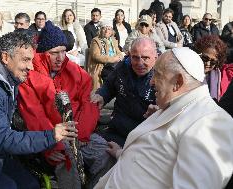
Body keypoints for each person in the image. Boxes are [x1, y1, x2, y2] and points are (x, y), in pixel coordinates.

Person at [0, 31, 78, 189]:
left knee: (30, 183)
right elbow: (0, 138)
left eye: (31, 60)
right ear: (5, 57)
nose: (31, 67)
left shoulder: (5, 78)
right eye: (25, 60)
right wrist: (50, 136)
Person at [94, 47, 233, 189]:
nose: (151, 82)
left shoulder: (211, 123)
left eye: (157, 75)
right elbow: (155, 159)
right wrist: (121, 153)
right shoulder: (173, 105)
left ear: (178, 82)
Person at [17, 21, 114, 189]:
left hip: (81, 132)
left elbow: (88, 104)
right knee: (67, 162)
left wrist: (80, 135)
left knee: (108, 156)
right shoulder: (29, 76)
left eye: (63, 51)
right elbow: (34, 114)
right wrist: (51, 144)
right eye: (54, 53)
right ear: (42, 53)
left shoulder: (75, 71)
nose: (60, 57)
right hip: (52, 135)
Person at [91, 37, 157, 147]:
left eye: (145, 58)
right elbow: (108, 85)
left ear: (156, 57)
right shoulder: (122, 66)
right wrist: (101, 95)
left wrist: (161, 113)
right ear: (130, 55)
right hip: (117, 130)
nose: (140, 63)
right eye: (135, 58)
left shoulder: (164, 75)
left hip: (144, 139)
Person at [87, 21, 124, 91]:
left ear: (112, 31)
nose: (107, 31)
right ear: (100, 30)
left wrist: (119, 56)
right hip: (101, 66)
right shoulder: (96, 41)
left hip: (114, 64)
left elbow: (118, 52)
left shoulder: (113, 40)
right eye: (104, 28)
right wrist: (113, 59)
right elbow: (96, 56)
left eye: (109, 29)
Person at [194, 35, 233, 100]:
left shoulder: (222, 75)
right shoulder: (187, 73)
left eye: (213, 61)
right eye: (204, 58)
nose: (207, 63)